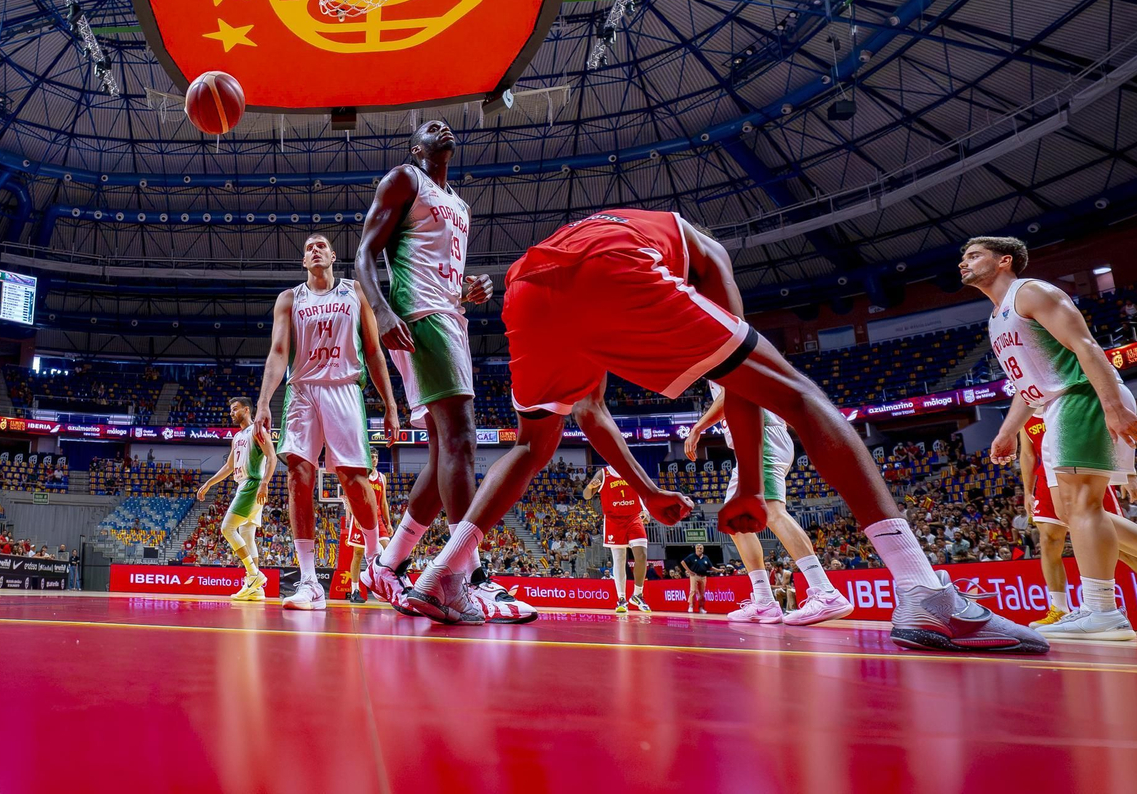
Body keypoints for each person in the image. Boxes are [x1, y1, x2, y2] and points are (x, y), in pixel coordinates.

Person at [405, 208, 1046, 653]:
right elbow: (739, 377)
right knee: (801, 394)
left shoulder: (608, 237)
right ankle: (923, 592)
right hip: (610, 265)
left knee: (530, 444)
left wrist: (653, 489)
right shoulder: (703, 250)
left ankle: (443, 575)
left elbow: (590, 411)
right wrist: (744, 481)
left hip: (526, 285)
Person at [968, 235, 1137, 640]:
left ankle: (1103, 611)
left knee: (1082, 505)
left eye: (974, 256)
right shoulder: (996, 318)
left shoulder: (1031, 292)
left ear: (1004, 260)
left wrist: (1112, 405)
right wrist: (1008, 430)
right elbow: (1031, 385)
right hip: (1060, 403)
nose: (964, 263)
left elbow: (1086, 345)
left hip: (1083, 395)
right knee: (1073, 511)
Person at [355, 120, 529, 622]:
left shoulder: (460, 204)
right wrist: (384, 312)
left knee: (441, 454)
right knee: (461, 440)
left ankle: (386, 566)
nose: (443, 125)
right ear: (417, 147)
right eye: (431, 127)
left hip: (448, 312)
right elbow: (366, 252)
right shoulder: (405, 179)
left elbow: (442, 266)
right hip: (418, 314)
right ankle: (464, 578)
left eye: (446, 123)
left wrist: (472, 287)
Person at [254, 233, 399, 611]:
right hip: (302, 391)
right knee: (298, 475)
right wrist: (264, 402)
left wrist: (390, 406)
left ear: (334, 255)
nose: (314, 250)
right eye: (307, 248)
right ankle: (308, 583)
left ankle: (374, 561)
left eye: (321, 245)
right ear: (304, 261)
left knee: (353, 478)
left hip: (344, 388)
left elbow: (373, 351)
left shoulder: (355, 291)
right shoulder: (290, 299)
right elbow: (278, 352)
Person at [688, 381, 853, 626]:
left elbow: (732, 392)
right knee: (736, 522)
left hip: (760, 436)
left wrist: (698, 427)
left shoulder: (716, 351)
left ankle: (825, 592)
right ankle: (764, 601)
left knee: (773, 511)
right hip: (753, 439)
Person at [1017, 416, 1137, 635]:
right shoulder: (1026, 404)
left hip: (1083, 473)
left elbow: (1115, 415)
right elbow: (1027, 454)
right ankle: (1060, 609)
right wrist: (1028, 492)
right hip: (1047, 478)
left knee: (1118, 545)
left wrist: (1128, 473)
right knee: (1048, 541)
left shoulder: (1071, 393)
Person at [198, 397, 276, 601]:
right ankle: (256, 589)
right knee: (247, 536)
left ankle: (253, 574)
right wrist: (209, 483)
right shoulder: (238, 436)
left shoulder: (257, 430)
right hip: (245, 484)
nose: (231, 413)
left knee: (227, 528)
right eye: (231, 410)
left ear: (247, 410)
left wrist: (265, 483)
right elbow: (229, 466)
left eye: (235, 409)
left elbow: (272, 457)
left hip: (252, 484)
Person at [582, 447, 651, 613]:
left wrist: (646, 510)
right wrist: (591, 487)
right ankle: (621, 598)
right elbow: (586, 495)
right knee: (619, 559)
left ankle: (637, 595)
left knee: (641, 555)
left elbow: (643, 493)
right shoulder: (603, 473)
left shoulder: (633, 471)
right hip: (614, 520)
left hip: (634, 516)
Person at [338, 447, 392, 603]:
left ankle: (386, 588)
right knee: (358, 554)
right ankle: (354, 590)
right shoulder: (360, 476)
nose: (374, 459)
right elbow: (352, 497)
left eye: (376, 457)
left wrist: (388, 523)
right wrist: (355, 515)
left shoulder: (382, 478)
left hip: (378, 518)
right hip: (361, 517)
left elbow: (383, 502)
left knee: (388, 552)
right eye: (371, 456)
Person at [679, 544, 714, 615]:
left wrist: (719, 570)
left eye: (701, 548)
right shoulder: (692, 556)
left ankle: (701, 608)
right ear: (695, 549)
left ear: (703, 549)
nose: (699, 549)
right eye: (698, 548)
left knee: (702, 594)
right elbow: (683, 562)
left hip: (703, 576)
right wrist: (689, 571)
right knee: (693, 591)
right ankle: (691, 606)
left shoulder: (705, 557)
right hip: (694, 575)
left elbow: (711, 567)